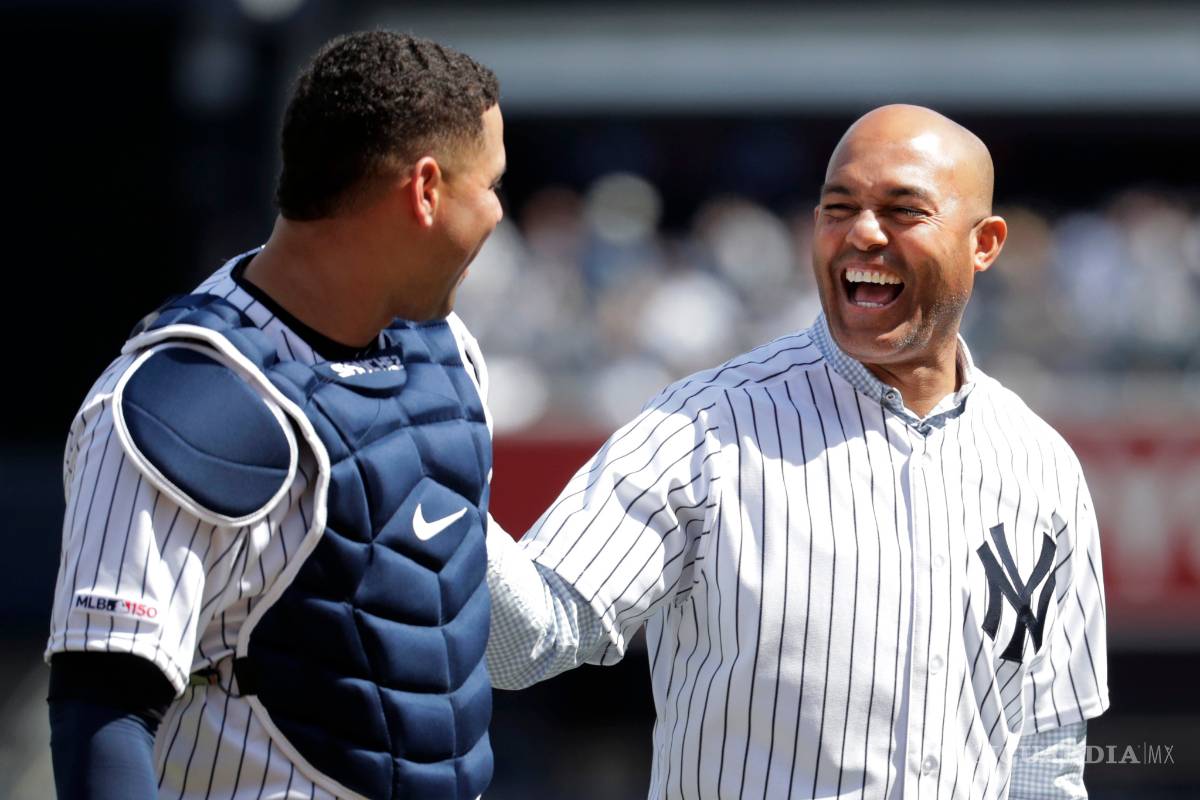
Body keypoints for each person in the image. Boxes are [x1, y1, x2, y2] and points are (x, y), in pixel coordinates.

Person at [486, 105, 1108, 799]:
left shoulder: (1042, 466)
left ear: (985, 242)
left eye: (904, 210)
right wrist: (425, 473)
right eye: (839, 208)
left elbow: (1047, 759)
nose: (863, 233)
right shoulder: (701, 428)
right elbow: (523, 641)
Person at [45, 30, 506, 800]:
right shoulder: (186, 399)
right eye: (490, 184)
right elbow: (102, 717)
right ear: (426, 191)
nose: (497, 212)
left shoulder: (447, 354)